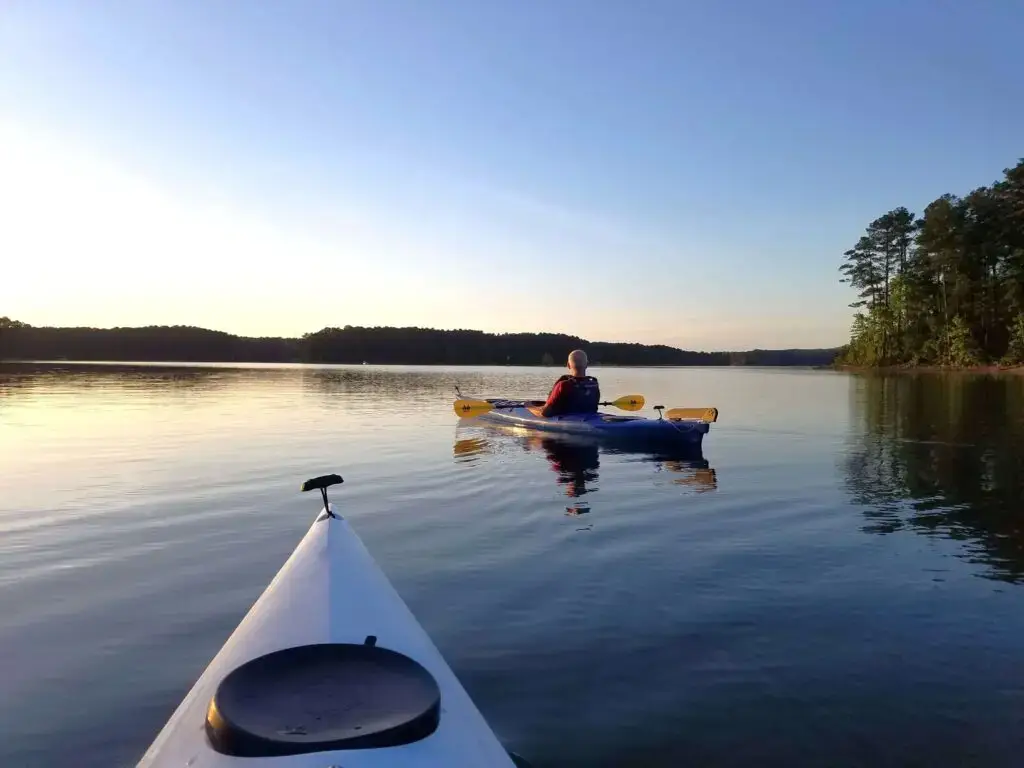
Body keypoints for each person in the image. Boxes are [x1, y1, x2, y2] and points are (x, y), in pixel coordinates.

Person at [533, 349, 600, 417]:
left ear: (568, 365)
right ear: (587, 365)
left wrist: (531, 407)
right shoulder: (594, 383)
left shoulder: (563, 385)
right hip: (591, 419)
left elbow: (545, 413)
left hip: (568, 422)